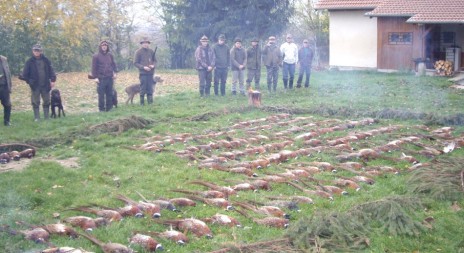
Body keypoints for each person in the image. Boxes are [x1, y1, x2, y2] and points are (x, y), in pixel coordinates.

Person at [20, 44, 56, 121]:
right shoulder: (29, 62)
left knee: (46, 101)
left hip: (45, 84)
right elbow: (24, 75)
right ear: (33, 51)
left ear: (41, 51)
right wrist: (29, 81)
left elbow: (51, 71)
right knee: (35, 102)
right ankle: (37, 117)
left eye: (38, 50)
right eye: (35, 50)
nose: (36, 52)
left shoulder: (46, 60)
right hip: (35, 85)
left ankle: (46, 117)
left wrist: (53, 80)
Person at [91, 40, 118, 112]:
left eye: (105, 45)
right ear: (100, 46)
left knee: (109, 93)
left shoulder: (110, 55)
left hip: (110, 77)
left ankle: (109, 108)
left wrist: (115, 73)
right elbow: (94, 68)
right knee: (101, 95)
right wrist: (95, 77)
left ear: (107, 47)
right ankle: (101, 109)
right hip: (101, 78)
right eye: (103, 45)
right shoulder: (96, 56)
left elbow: (114, 65)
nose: (104, 46)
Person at [134, 37, 157, 105]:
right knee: (143, 88)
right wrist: (143, 67)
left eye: (147, 43)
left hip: (150, 73)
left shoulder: (151, 51)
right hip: (143, 73)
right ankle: (142, 103)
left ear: (148, 44)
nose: (145, 44)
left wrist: (153, 66)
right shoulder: (138, 52)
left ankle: (150, 103)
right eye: (144, 43)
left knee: (150, 88)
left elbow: (155, 61)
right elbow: (135, 63)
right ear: (141, 44)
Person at [0, 55, 12, 126]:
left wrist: (9, 86)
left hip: (4, 87)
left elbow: (8, 74)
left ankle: (7, 121)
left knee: (7, 104)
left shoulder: (3, 59)